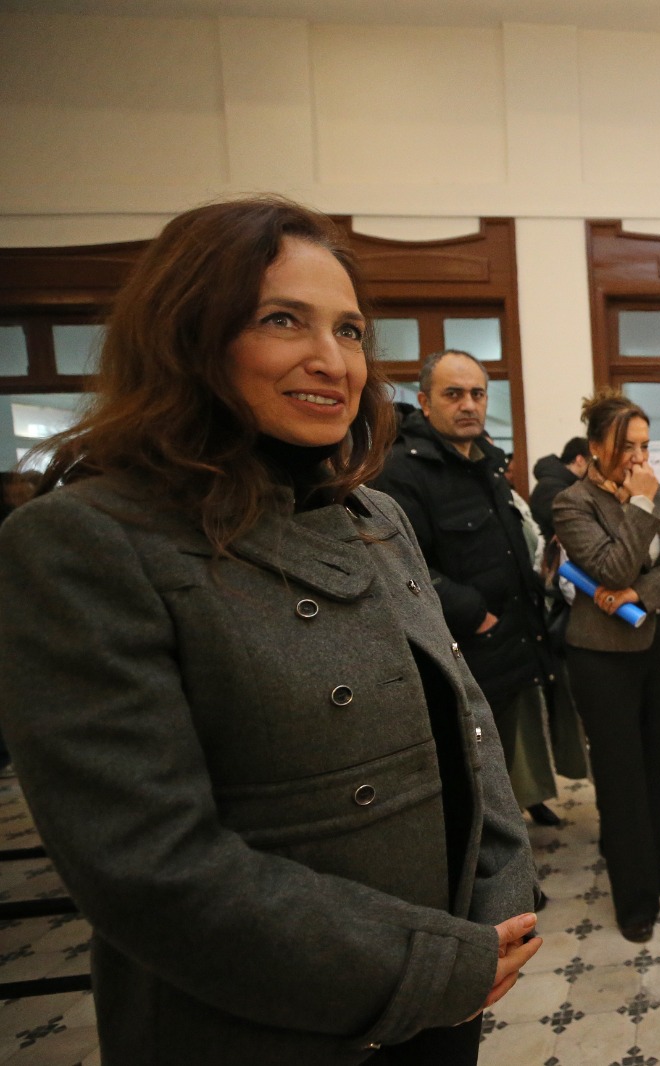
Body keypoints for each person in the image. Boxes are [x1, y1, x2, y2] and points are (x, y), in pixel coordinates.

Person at [0, 196, 540, 1065]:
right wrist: (429, 965)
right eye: (283, 320)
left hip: (442, 1000)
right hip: (260, 1024)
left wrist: (500, 907)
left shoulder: (372, 517)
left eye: (351, 330)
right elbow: (152, 869)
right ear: (189, 336)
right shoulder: (83, 543)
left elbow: (467, 725)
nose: (332, 360)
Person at [374, 350, 583, 831]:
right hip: (464, 648)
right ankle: (494, 883)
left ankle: (516, 847)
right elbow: (403, 567)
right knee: (474, 775)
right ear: (425, 402)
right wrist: (472, 613)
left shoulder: (487, 462)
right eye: (453, 394)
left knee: (508, 759)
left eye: (477, 393)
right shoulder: (402, 473)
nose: (468, 404)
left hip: (511, 640)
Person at [552, 391, 660, 942]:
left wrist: (639, 592)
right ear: (595, 448)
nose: (639, 458)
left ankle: (658, 869)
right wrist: (639, 508)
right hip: (602, 655)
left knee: (656, 759)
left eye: (644, 445)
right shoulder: (572, 503)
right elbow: (609, 570)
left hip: (656, 640)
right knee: (620, 775)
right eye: (625, 446)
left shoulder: (656, 491)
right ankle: (633, 899)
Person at [530, 435, 589, 542]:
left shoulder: (563, 483)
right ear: (580, 460)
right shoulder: (552, 488)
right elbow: (572, 528)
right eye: (591, 462)